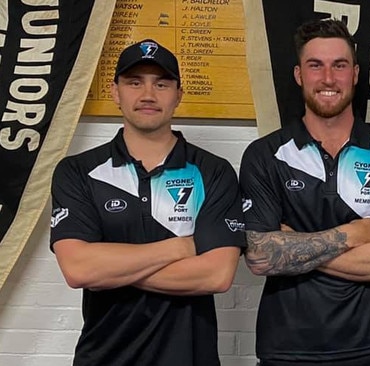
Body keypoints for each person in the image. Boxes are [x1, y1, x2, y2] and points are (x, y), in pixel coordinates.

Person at [49, 39, 246, 366]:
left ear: (178, 95)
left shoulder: (213, 171)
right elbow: (79, 269)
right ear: (115, 92)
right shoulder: (78, 171)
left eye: (162, 83)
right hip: (103, 357)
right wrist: (180, 248)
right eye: (134, 82)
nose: (148, 95)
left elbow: (216, 275)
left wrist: (111, 268)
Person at [239, 19, 370, 366]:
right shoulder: (264, 155)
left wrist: (295, 246)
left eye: (340, 65)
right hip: (287, 346)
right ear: (298, 75)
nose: (329, 78)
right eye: (315, 65)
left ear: (356, 73)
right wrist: (355, 233)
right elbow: (260, 255)